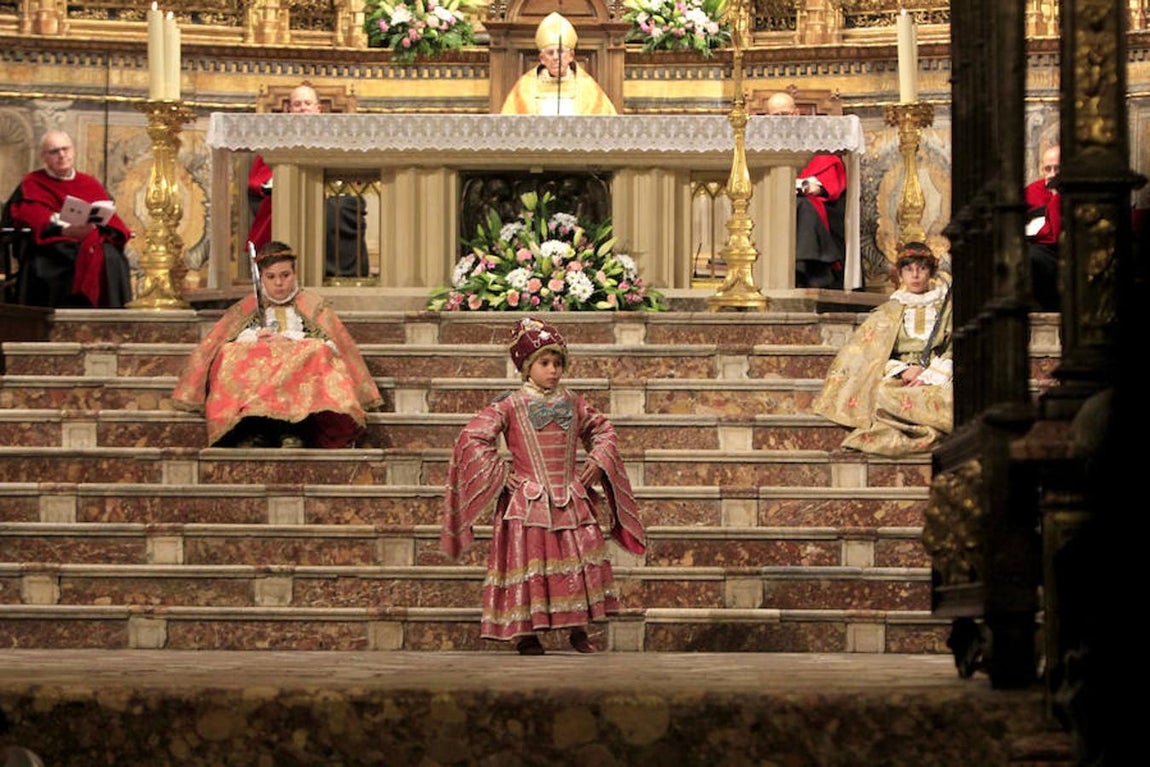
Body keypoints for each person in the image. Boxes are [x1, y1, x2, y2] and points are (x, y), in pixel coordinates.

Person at [439, 317, 646, 655]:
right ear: (526, 367)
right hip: (529, 502)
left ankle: (579, 629)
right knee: (533, 563)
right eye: (545, 363)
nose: (553, 370)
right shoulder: (510, 404)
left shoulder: (575, 402)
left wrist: (596, 461)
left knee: (574, 564)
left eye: (558, 363)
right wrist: (498, 471)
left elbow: (604, 431)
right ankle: (527, 634)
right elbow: (472, 436)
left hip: (571, 498)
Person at [171, 240, 382, 448]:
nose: (279, 283)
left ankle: (294, 430)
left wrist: (289, 340)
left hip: (300, 382)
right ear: (261, 278)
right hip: (256, 374)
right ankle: (251, 429)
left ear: (295, 274)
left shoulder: (313, 305)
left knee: (317, 351)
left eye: (285, 276)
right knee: (230, 352)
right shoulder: (246, 308)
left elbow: (333, 346)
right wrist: (254, 339)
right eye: (271, 277)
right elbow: (220, 344)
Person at [811, 241, 953, 456]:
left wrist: (931, 374)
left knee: (950, 396)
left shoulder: (946, 309)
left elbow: (954, 346)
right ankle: (924, 429)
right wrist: (904, 370)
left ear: (931, 272)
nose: (915, 275)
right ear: (900, 273)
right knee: (881, 394)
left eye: (921, 268)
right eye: (908, 269)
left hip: (937, 373)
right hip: (902, 375)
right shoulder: (887, 312)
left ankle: (922, 430)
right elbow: (872, 353)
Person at [247, 83, 369, 278]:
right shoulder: (275, 138)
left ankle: (339, 275)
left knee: (342, 208)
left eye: (307, 103)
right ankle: (286, 274)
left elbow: (352, 176)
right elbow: (259, 179)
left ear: (319, 109)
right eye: (297, 104)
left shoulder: (335, 136)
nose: (302, 108)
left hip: (331, 195)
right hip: (289, 198)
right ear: (288, 110)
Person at [6, 130, 133, 308]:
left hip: (90, 239)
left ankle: (108, 322)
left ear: (73, 151)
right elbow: (30, 215)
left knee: (111, 257)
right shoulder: (33, 183)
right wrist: (63, 228)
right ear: (44, 157)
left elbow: (113, 221)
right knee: (61, 258)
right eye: (54, 151)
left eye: (65, 149)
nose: (62, 155)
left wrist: (97, 226)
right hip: (53, 243)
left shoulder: (89, 182)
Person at [765, 91, 848, 290]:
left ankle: (807, 269)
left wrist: (804, 186)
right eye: (774, 117)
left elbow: (826, 184)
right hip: (772, 204)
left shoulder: (815, 141)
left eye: (784, 115)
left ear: (796, 114)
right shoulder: (762, 145)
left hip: (811, 203)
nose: (780, 122)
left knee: (803, 206)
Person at [500, 12, 617, 116]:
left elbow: (607, 126)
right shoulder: (525, 87)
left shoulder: (588, 88)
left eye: (560, 51)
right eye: (550, 53)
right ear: (542, 58)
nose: (556, 57)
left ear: (571, 56)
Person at [1024, 143, 1061, 312]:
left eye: (1057, 169)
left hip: (1056, 251)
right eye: (1048, 169)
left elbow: (1055, 234)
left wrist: (1056, 197)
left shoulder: (1071, 192)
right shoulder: (1032, 191)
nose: (1052, 174)